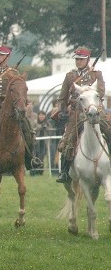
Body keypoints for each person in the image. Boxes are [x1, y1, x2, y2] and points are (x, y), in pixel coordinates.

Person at [54, 47, 108, 184]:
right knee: (67, 141)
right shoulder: (70, 76)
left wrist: (88, 91)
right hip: (77, 113)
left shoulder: (96, 74)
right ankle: (64, 172)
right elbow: (62, 97)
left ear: (88, 60)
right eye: (77, 59)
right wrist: (60, 109)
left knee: (109, 130)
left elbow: (101, 92)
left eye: (81, 59)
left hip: (95, 111)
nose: (78, 61)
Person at [0, 45, 42, 171]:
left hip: (10, 109)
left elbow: (20, 92)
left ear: (8, 56)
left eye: (2, 55)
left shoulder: (15, 73)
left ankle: (30, 158)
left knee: (27, 129)